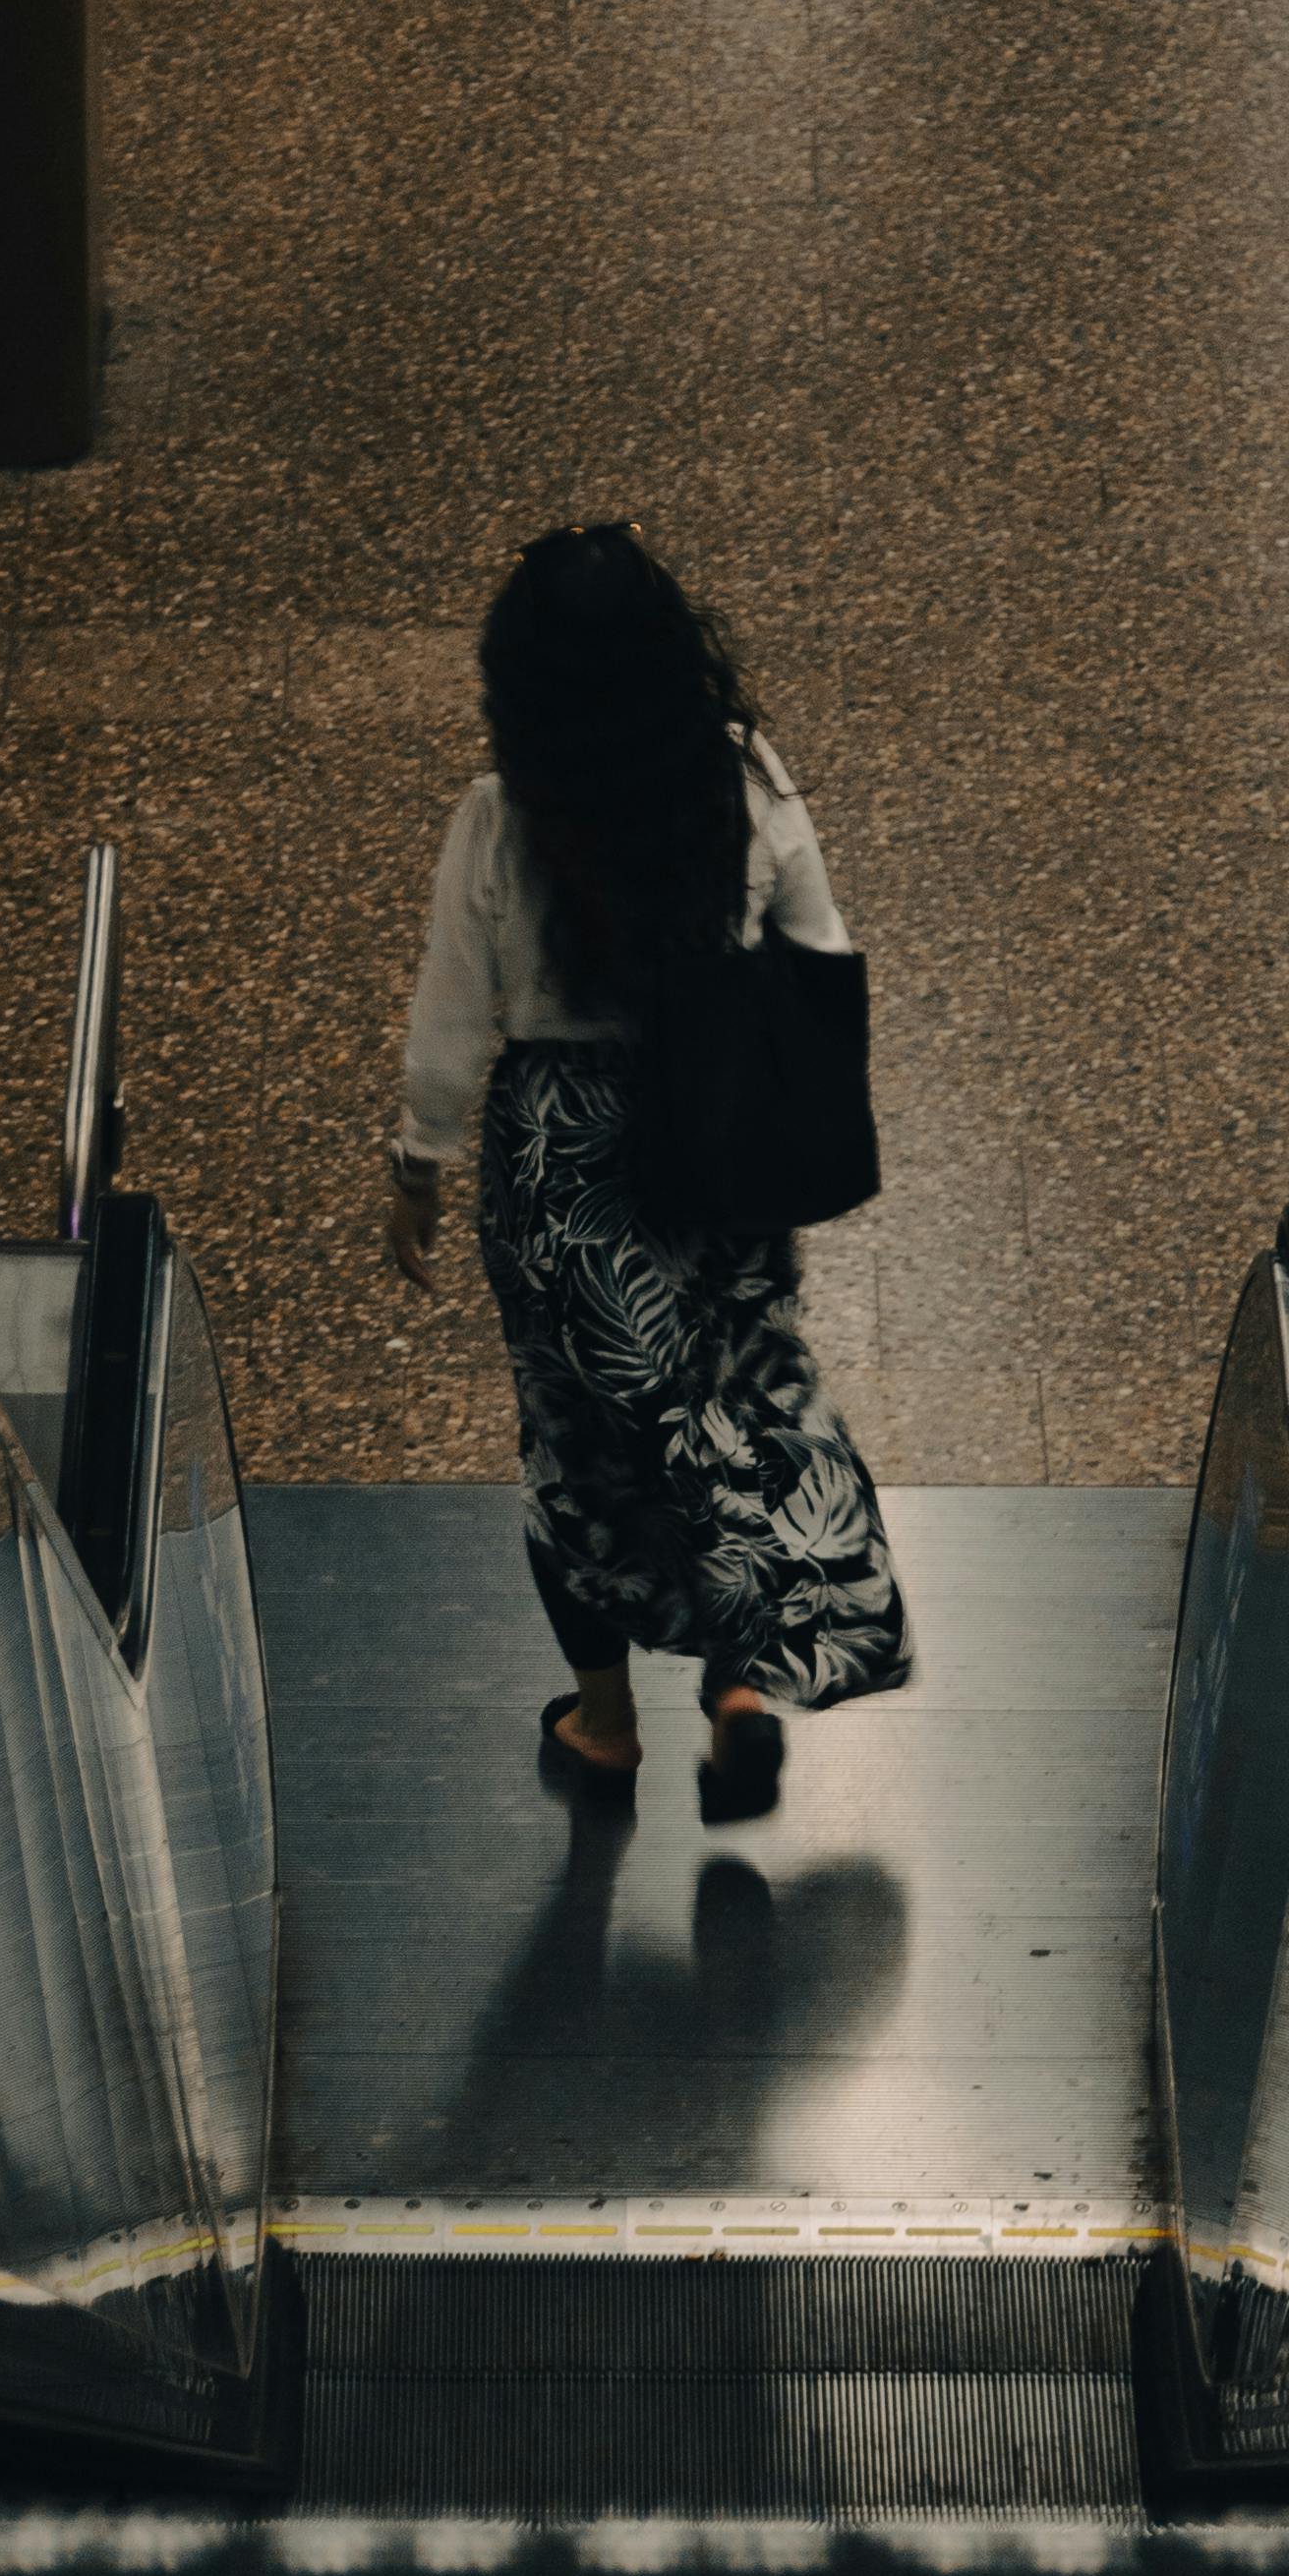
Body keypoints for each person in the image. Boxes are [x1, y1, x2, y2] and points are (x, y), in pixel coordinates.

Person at [384, 522, 909, 1815]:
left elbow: (452, 1018)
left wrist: (417, 1162)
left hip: (559, 1155)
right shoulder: (742, 779)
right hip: (710, 1123)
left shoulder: (502, 814)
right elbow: (818, 942)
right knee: (721, 1407)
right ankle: (737, 1685)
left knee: (577, 1444)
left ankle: (605, 1723)